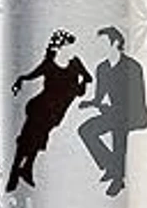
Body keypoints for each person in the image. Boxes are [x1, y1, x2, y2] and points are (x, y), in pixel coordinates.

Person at [6, 29, 91, 191]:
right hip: (40, 109)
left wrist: (82, 83)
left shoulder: (75, 64)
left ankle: (26, 169)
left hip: (54, 115)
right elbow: (31, 75)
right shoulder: (49, 64)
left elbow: (87, 80)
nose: (72, 50)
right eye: (68, 46)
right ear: (59, 48)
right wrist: (20, 80)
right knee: (27, 140)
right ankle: (14, 174)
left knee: (37, 140)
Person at [77, 26, 147, 197]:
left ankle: (118, 179)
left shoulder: (132, 67)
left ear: (115, 43)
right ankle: (111, 165)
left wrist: (111, 110)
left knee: (119, 127)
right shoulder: (102, 68)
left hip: (135, 113)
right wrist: (90, 103)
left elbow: (137, 100)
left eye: (103, 43)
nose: (99, 48)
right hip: (114, 113)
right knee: (85, 130)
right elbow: (99, 97)